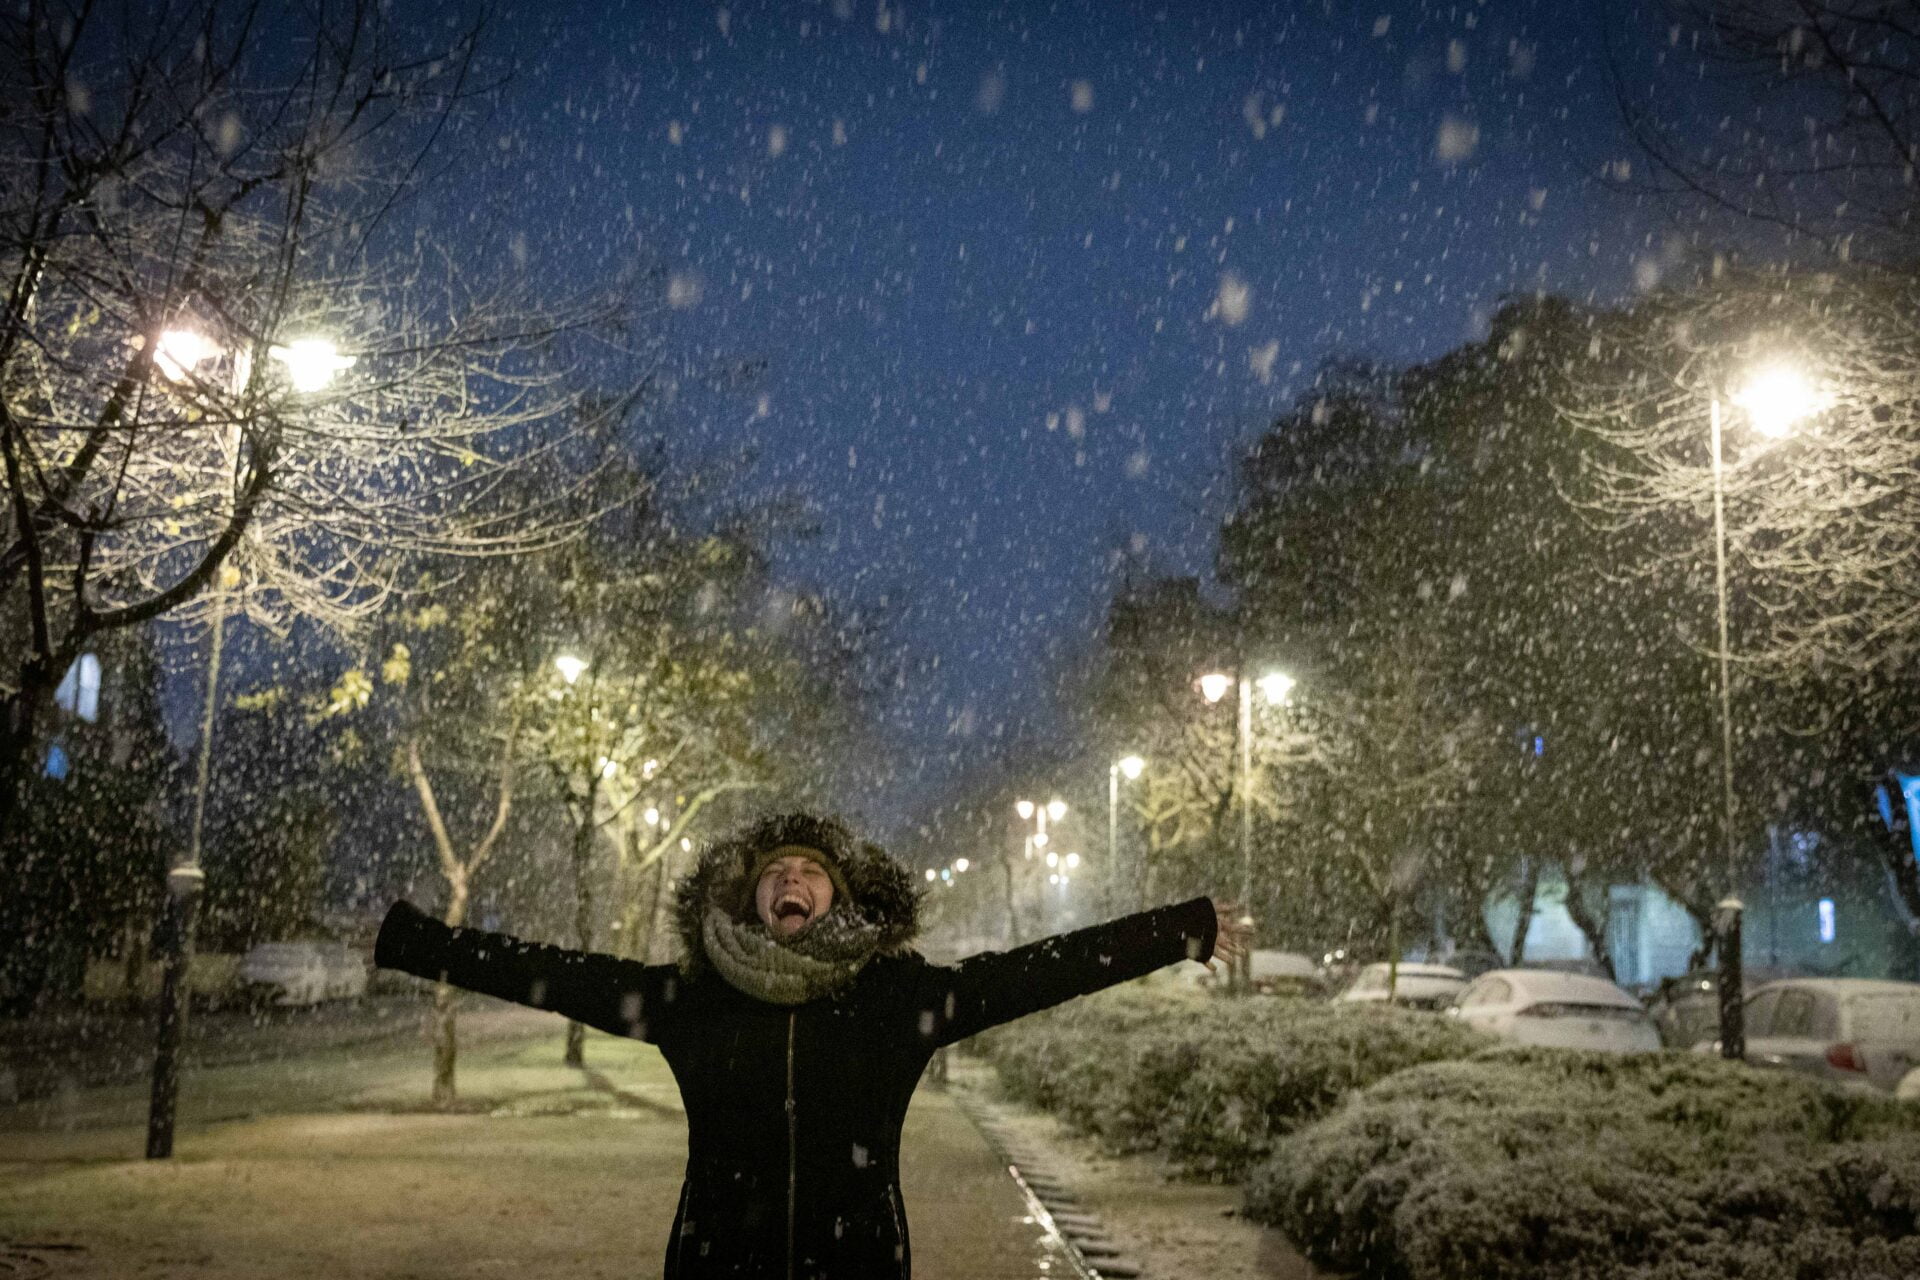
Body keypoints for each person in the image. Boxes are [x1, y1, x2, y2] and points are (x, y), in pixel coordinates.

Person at [374, 810, 1248, 1279]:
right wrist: (412, 940)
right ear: (751, 901)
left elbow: (1037, 972)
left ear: (838, 898)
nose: (792, 880)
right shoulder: (694, 1001)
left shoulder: (898, 997)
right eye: (775, 875)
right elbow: (556, 974)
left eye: (811, 873)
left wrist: (1183, 930)